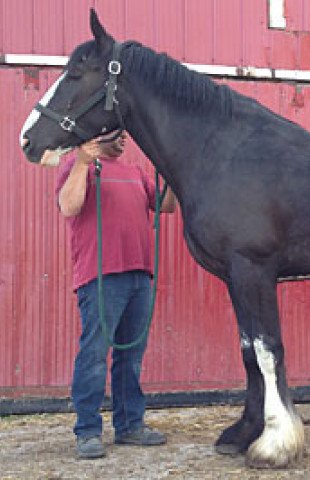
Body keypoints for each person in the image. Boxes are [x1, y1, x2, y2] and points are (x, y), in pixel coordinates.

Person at [56, 131, 176, 459]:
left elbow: (166, 206)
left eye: (125, 134)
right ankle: (88, 431)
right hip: (100, 276)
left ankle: (130, 427)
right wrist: (82, 160)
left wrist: (166, 163)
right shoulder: (78, 166)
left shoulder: (136, 172)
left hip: (139, 275)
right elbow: (69, 205)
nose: (124, 138)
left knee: (131, 357)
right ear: (97, 134)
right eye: (116, 133)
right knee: (94, 354)